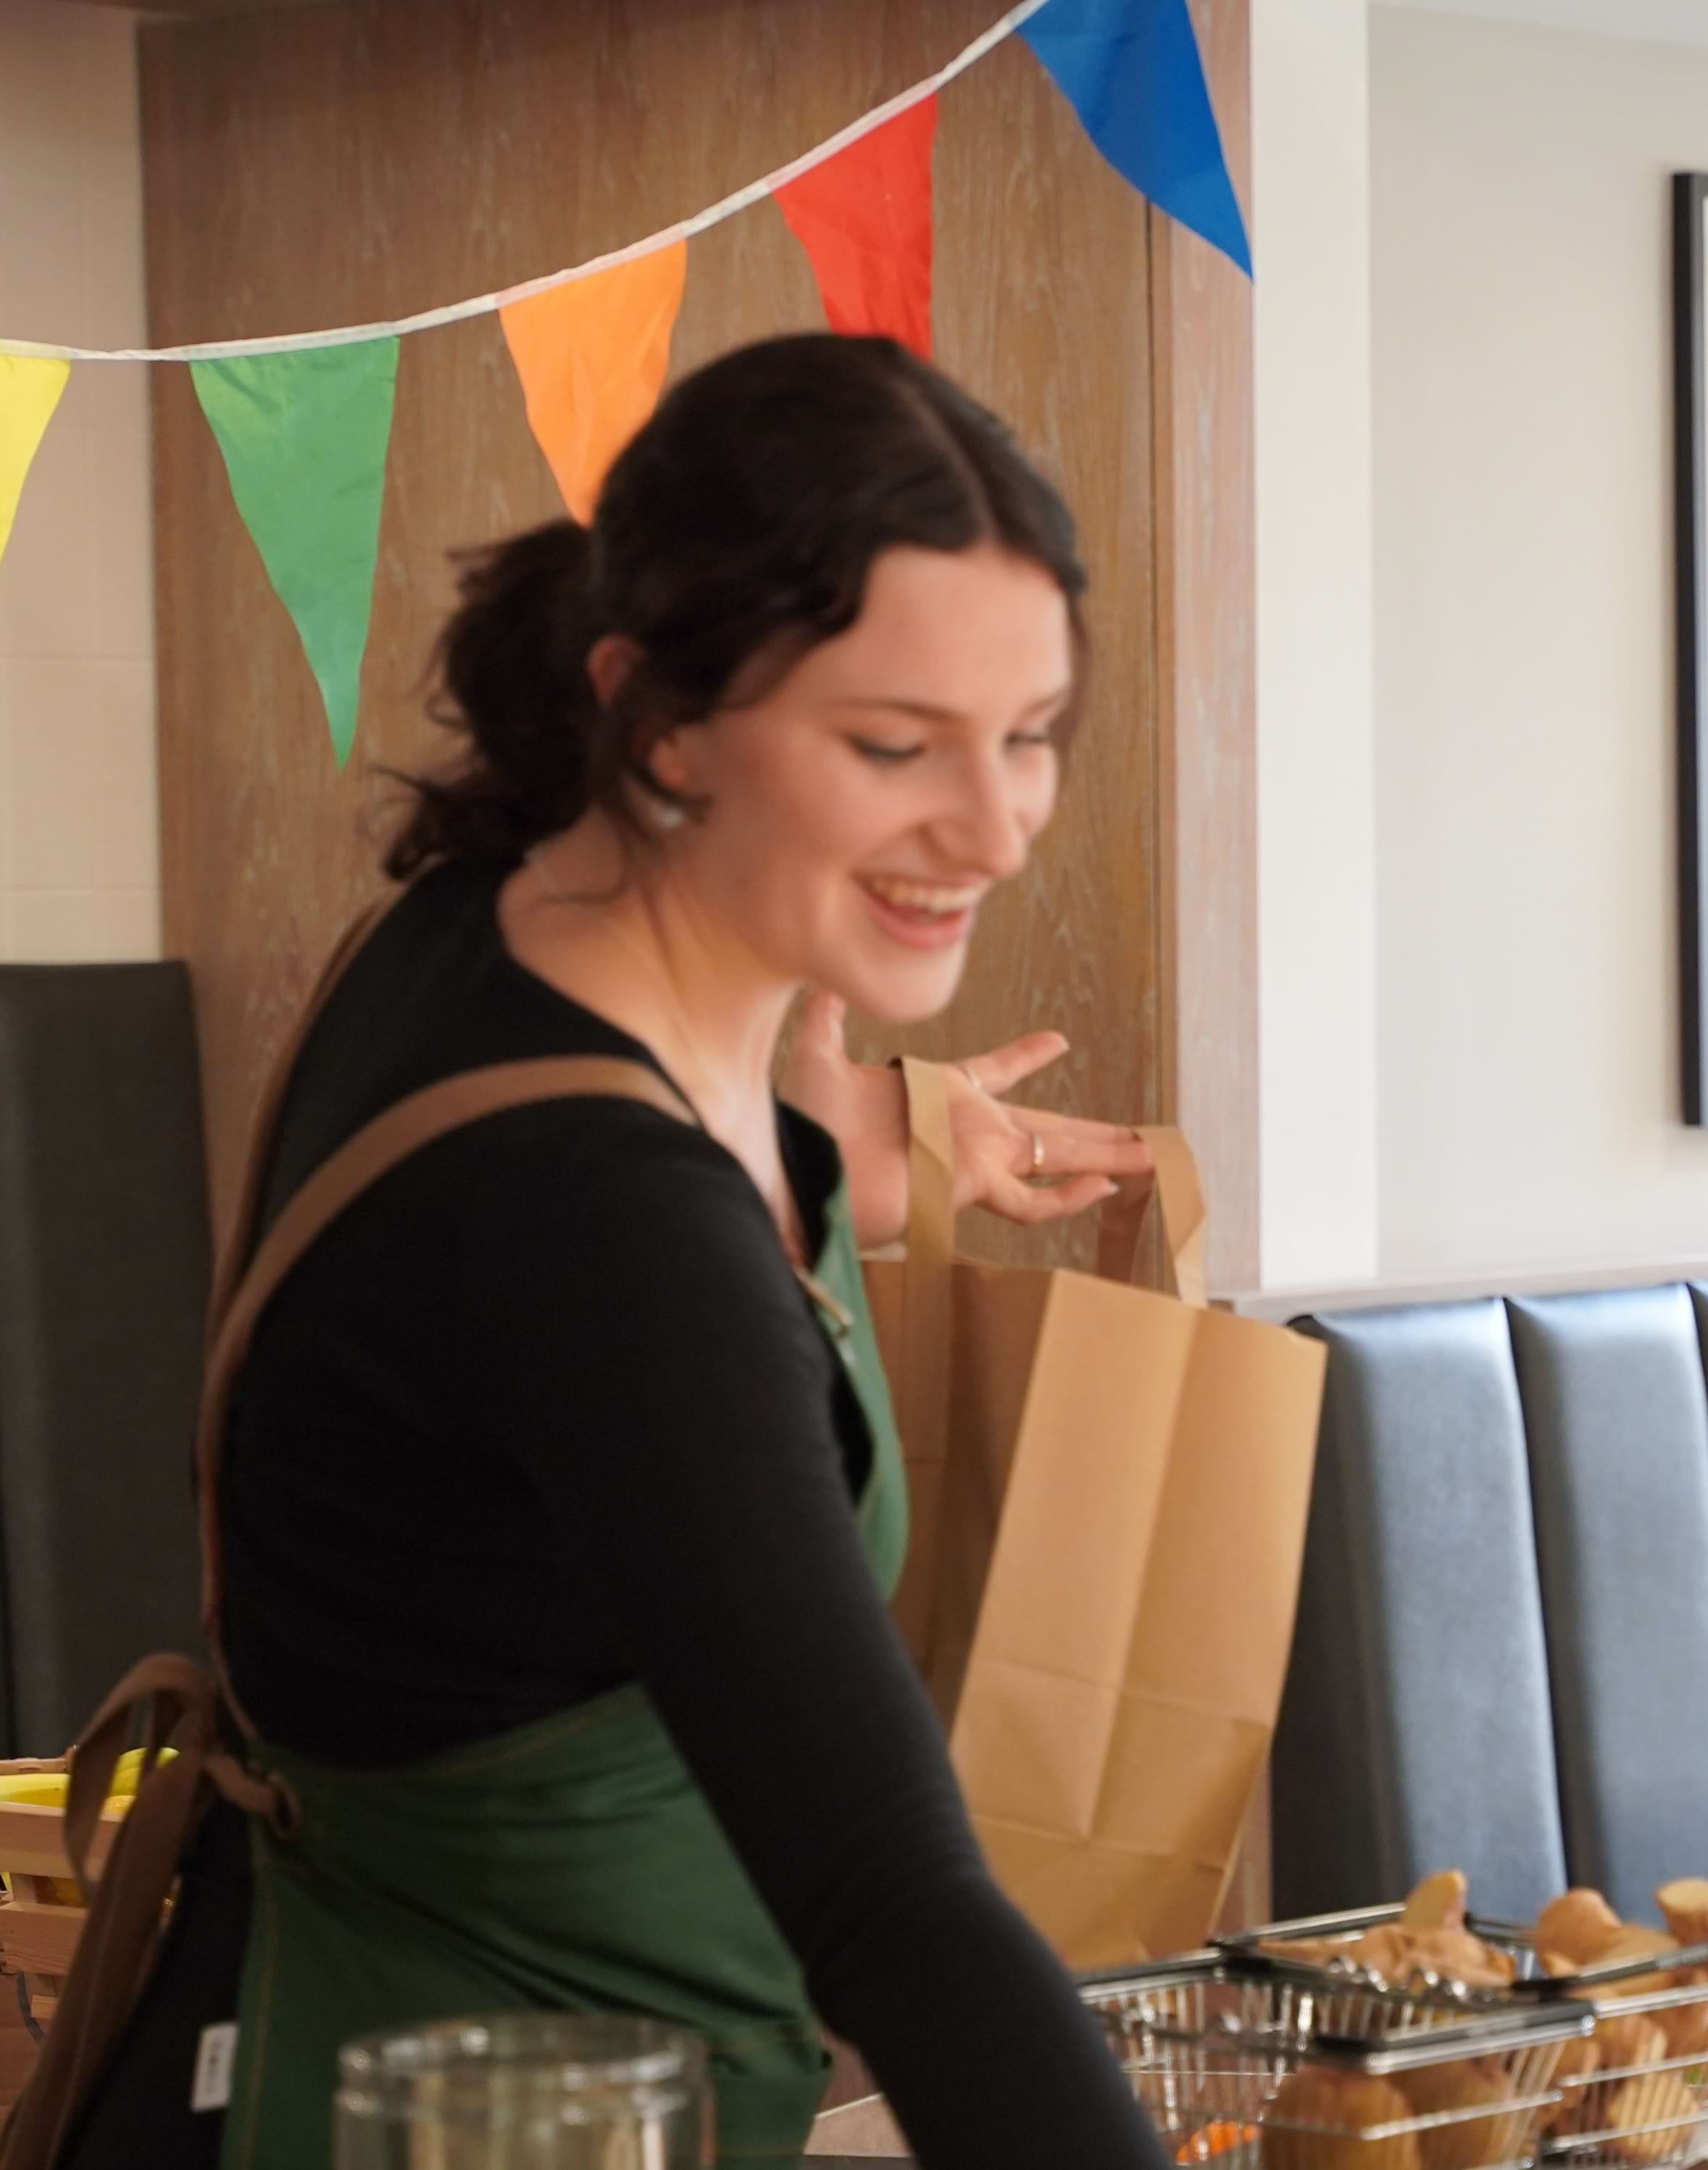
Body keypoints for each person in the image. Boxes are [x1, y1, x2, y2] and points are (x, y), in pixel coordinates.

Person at [60, 334, 1170, 2169]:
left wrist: (848, 1147)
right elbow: (888, 1896)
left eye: (1029, 735)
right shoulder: (597, 1220)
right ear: (657, 724)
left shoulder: (505, 928)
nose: (993, 827)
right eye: (895, 745)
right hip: (442, 2120)